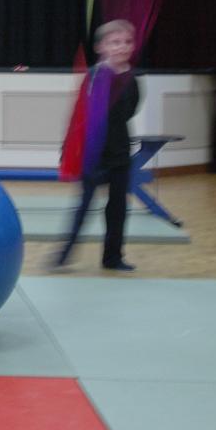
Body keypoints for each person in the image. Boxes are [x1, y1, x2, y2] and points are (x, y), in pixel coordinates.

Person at [55, 20, 141, 272]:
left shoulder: (132, 79)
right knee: (84, 205)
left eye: (127, 42)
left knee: (117, 208)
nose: (121, 47)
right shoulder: (93, 76)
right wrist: (69, 151)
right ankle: (65, 253)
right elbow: (79, 116)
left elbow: (128, 112)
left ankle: (113, 257)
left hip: (120, 154)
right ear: (101, 47)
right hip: (93, 155)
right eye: (115, 42)